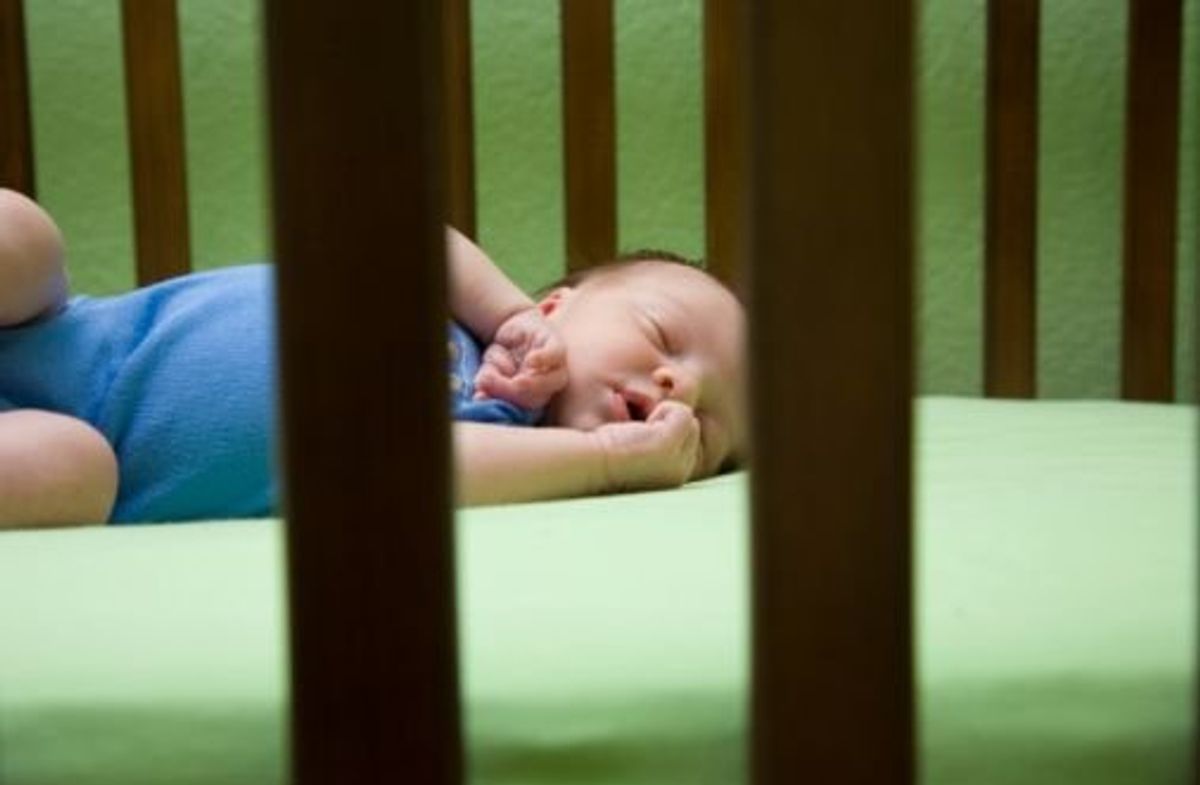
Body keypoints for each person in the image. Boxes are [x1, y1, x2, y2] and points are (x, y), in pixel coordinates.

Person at [0, 188, 745, 527]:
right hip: (57, 331)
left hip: (66, 440)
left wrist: (609, 461)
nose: (680, 385)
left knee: (77, 470)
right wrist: (509, 313)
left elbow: (401, 465)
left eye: (703, 432)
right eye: (659, 333)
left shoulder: (517, 453)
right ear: (557, 305)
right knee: (26, 238)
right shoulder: (470, 312)